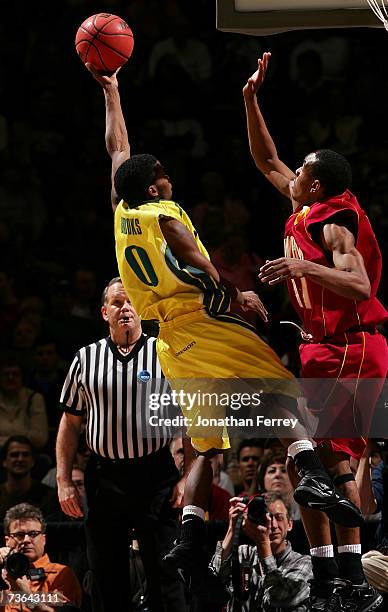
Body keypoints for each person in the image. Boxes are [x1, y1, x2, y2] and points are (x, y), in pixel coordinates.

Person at [85, 64, 364, 585]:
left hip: (168, 340)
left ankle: (190, 534)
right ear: (155, 185)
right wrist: (236, 297)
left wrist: (112, 92)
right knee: (282, 390)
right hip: (204, 319)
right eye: (162, 173)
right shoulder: (161, 210)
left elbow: (116, 149)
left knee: (207, 443)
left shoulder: (122, 208)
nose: (168, 175)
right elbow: (193, 257)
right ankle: (308, 475)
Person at [243, 51, 388, 611]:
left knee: (334, 464)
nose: (292, 175)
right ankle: (329, 575)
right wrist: (251, 99)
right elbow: (266, 159)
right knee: (312, 466)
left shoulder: (335, 223)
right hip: (319, 346)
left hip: (353, 348)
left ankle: (349, 578)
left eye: (302, 171)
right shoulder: (305, 205)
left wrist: (304, 268)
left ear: (317, 183)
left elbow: (360, 289)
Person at [56, 277, 189, 612]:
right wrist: (63, 480)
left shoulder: (166, 353)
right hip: (105, 476)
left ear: (142, 308)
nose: (125, 308)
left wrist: (186, 477)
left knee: (165, 569)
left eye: (131, 301)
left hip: (155, 473)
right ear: (104, 312)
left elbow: (191, 419)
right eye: (117, 302)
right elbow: (70, 424)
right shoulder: (85, 358)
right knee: (105, 573)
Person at [211, 492, 313, 611]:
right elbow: (213, 580)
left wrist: (263, 543)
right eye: (266, 518)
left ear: (290, 524)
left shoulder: (304, 564)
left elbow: (279, 598)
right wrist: (232, 528)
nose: (273, 525)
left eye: (279, 518)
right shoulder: (244, 554)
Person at [0, 502, 82, 612]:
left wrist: (26, 596)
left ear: (44, 539)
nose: (26, 540)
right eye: (19, 535)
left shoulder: (60, 574)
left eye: (33, 534)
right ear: (7, 541)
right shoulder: (1, 574)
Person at [0, 436, 59, 522]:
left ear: (33, 461)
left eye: (25, 455)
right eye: (14, 455)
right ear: (4, 461)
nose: (20, 459)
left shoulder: (49, 496)